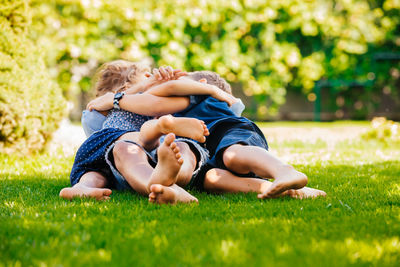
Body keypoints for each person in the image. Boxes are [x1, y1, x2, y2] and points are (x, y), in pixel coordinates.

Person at [60, 61, 234, 203]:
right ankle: (162, 174)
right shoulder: (125, 101)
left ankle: (82, 189)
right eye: (147, 75)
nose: (154, 76)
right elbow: (153, 100)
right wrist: (144, 86)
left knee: (96, 176)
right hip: (120, 140)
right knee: (130, 148)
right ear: (128, 86)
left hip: (103, 159)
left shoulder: (134, 102)